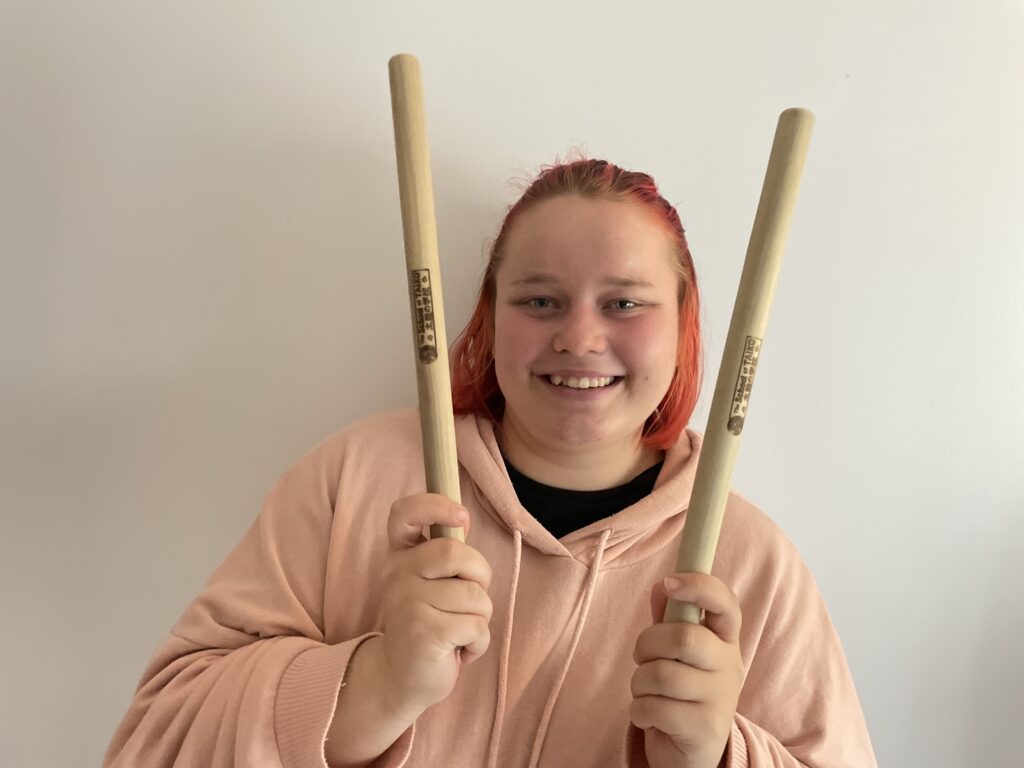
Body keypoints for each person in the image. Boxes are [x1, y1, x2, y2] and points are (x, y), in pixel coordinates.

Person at [105, 159, 877, 767]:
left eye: (624, 303)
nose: (579, 338)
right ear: (489, 315)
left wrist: (720, 757)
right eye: (539, 300)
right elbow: (152, 742)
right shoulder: (357, 478)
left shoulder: (751, 566)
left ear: (685, 325)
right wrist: (368, 687)